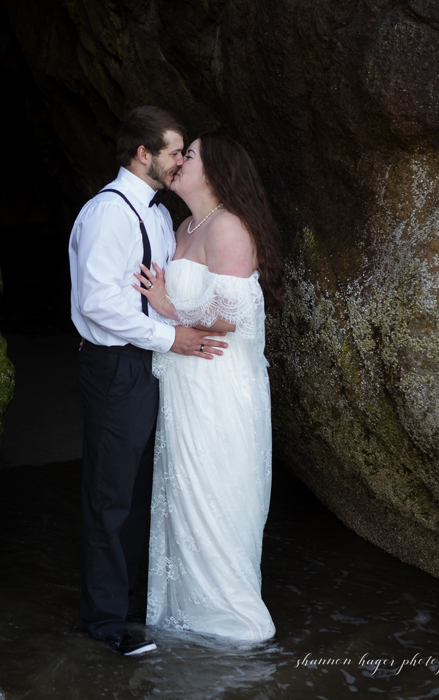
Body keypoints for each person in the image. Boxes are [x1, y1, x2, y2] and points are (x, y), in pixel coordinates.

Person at [67, 105, 229, 657]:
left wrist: (174, 324)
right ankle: (103, 620)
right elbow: (99, 304)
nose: (181, 160)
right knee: (110, 496)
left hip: (146, 365)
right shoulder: (109, 214)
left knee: (138, 492)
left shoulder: (158, 215)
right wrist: (172, 339)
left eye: (185, 153)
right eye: (174, 151)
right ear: (144, 154)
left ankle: (128, 603)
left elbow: (156, 297)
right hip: (115, 366)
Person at [135, 132, 283, 642]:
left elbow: (233, 313)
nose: (177, 162)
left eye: (188, 155)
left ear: (215, 171)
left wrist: (168, 310)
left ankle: (237, 627)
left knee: (214, 493)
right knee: (183, 494)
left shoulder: (230, 228)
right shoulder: (184, 225)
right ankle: (189, 620)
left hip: (219, 386)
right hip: (184, 384)